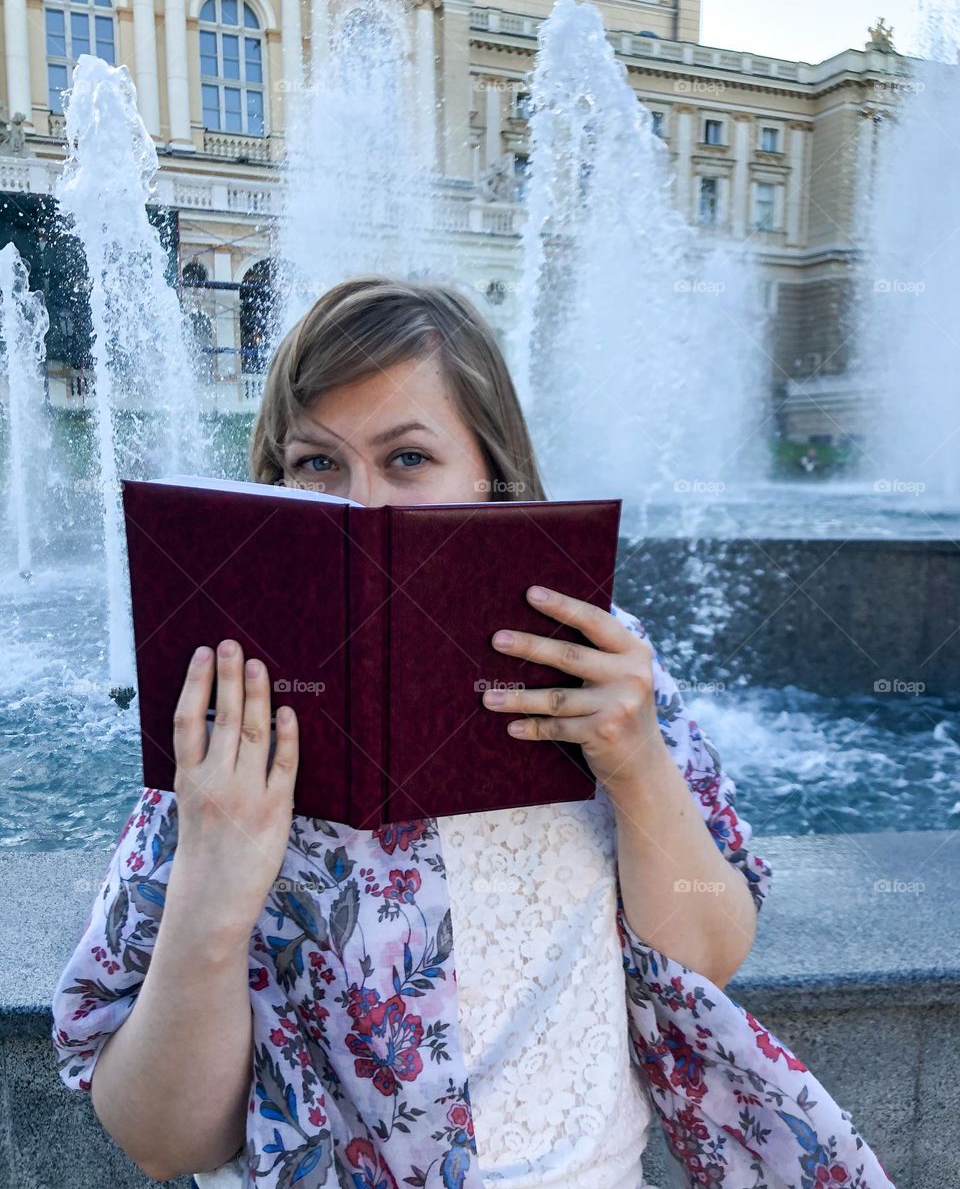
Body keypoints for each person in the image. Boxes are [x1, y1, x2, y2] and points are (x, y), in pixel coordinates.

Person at [50, 276, 895, 1189]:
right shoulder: (232, 716)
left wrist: (640, 767)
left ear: (495, 475)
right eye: (316, 462)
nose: (362, 503)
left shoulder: (599, 666)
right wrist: (210, 897)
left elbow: (712, 954)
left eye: (407, 458)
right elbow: (161, 1142)